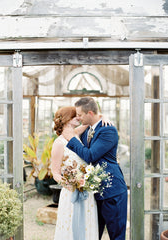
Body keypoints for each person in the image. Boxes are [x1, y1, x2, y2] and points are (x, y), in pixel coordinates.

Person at [63, 97, 128, 240]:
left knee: (116, 236)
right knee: (92, 234)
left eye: (80, 115)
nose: (78, 118)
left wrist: (72, 140)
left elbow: (90, 155)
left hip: (112, 191)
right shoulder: (88, 129)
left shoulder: (108, 130)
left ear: (90, 113)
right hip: (94, 192)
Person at [51, 106, 99, 240]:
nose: (79, 117)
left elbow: (90, 121)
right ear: (67, 119)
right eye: (75, 116)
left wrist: (103, 117)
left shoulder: (76, 135)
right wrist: (70, 184)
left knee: (87, 226)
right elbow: (55, 172)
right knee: (70, 227)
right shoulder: (59, 143)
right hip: (71, 192)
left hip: (87, 192)